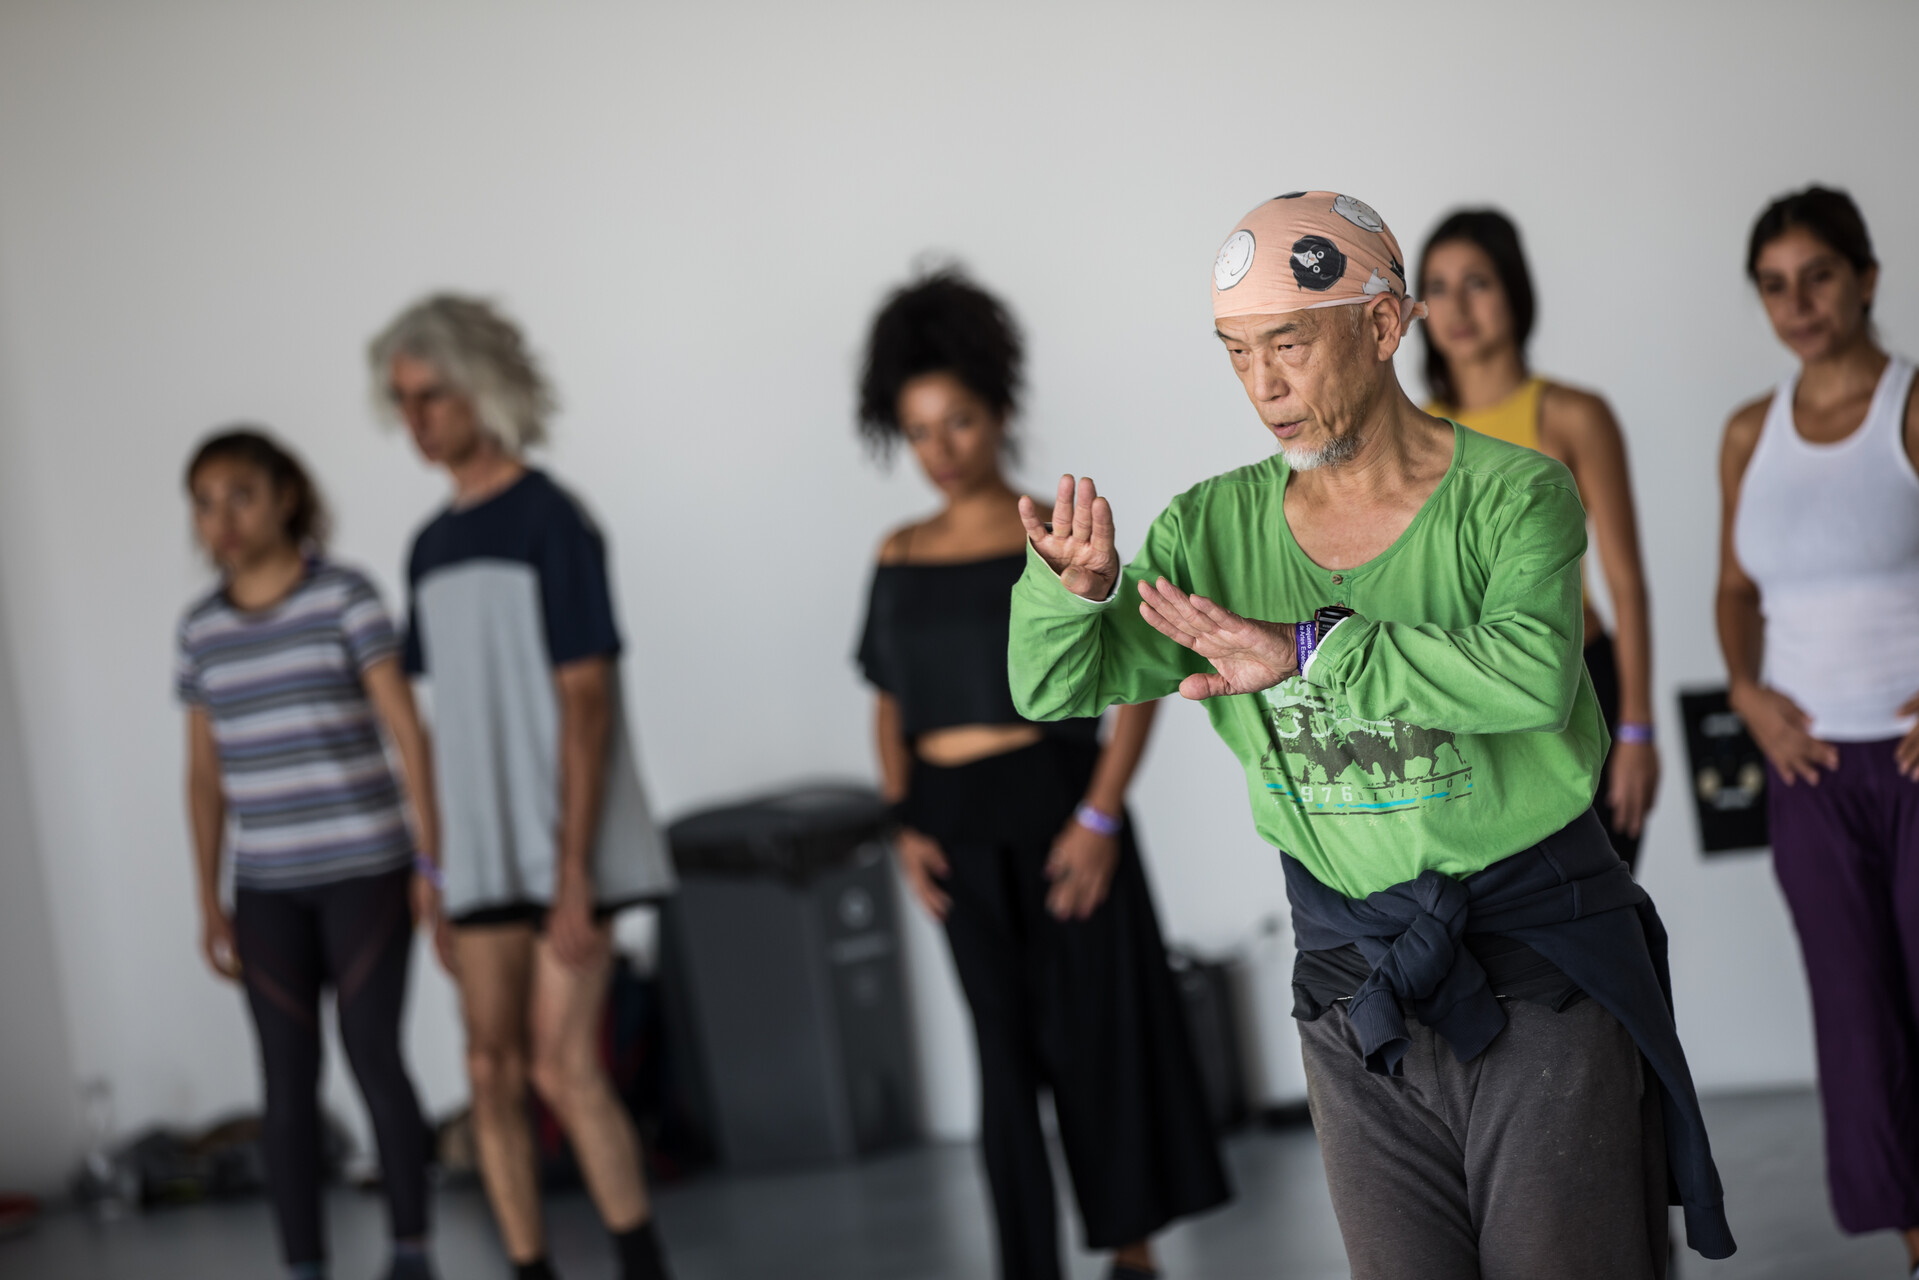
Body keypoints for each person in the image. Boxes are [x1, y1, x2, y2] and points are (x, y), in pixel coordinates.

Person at [1008, 192, 1735, 1278]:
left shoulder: (1514, 493)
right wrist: (1071, 594)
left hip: (1534, 965)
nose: (1262, 386)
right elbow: (1056, 685)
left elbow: (1531, 673)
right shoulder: (1208, 530)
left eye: (1288, 344)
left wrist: (1309, 648)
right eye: (1236, 353)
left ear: (1386, 327)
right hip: (1351, 990)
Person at [854, 270, 1229, 1280]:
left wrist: (1099, 814)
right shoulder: (896, 551)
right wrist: (902, 820)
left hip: (1058, 806)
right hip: (951, 825)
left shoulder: (1053, 535)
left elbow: (1142, 673)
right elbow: (887, 702)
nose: (941, 449)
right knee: (1001, 1060)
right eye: (919, 429)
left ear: (999, 412)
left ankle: (1134, 1249)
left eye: (959, 421)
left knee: (1100, 1036)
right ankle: (1027, 1261)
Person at [368, 295, 678, 1280]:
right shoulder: (426, 548)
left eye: (431, 395)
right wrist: (432, 859)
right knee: (487, 1070)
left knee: (561, 1064)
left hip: (567, 845)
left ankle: (640, 1261)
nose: (415, 419)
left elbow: (584, 705)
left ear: (483, 388)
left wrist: (573, 872)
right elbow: (441, 724)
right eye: (401, 401)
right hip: (479, 851)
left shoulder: (553, 519)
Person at [177, 428, 440, 1280]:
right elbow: (203, 776)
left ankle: (410, 1251)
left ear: (285, 496)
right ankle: (304, 1267)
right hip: (267, 890)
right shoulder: (201, 630)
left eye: (240, 496)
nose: (223, 519)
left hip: (366, 872)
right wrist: (209, 899)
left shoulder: (346, 599)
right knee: (286, 1087)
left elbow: (407, 730)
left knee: (373, 1058)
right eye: (205, 503)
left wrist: (430, 862)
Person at [1717, 185, 1919, 1268]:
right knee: (1854, 1017)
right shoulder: (1749, 432)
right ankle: (1910, 1232)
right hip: (1806, 774)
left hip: (1908, 759)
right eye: (1772, 285)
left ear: (1866, 279)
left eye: (1818, 275)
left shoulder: (1910, 405)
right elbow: (1731, 589)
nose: (1796, 302)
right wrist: (1745, 692)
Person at [1418, 209, 1660, 870]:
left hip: (1578, 686)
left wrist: (1637, 728)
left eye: (1477, 282)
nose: (1456, 306)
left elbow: (1626, 581)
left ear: (1514, 291)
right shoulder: (1412, 431)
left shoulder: (1573, 416)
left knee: (1592, 904)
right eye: (1436, 287)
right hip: (1468, 700)